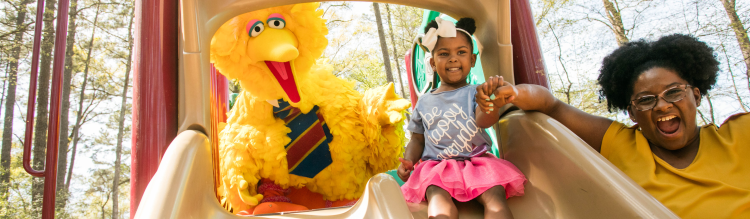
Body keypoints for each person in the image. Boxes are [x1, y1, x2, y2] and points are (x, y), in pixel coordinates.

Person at [477, 34, 750, 218]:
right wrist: (514, 93)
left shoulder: (740, 134)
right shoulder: (622, 143)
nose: (662, 106)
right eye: (646, 100)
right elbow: (552, 106)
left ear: (697, 96)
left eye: (674, 92)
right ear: (632, 112)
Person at [397, 17, 527, 219]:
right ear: (432, 63)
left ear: (472, 60)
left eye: (461, 52)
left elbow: (484, 120)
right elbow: (417, 139)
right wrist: (408, 160)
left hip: (476, 162)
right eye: (444, 54)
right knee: (437, 198)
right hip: (437, 168)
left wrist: (488, 102)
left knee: (495, 197)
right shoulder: (423, 102)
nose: (453, 58)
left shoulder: (476, 92)